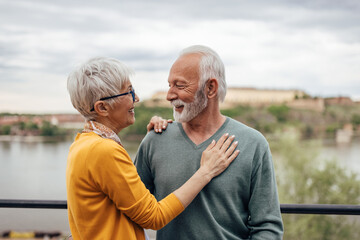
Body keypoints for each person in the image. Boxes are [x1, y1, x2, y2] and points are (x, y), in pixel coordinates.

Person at [65, 57, 239, 240]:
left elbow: (129, 197)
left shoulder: (82, 144)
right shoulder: (103, 150)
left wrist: (157, 139)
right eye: (129, 92)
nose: (137, 98)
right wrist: (206, 172)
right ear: (102, 107)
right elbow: (153, 217)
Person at [135, 45, 284, 239]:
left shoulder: (254, 144)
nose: (169, 95)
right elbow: (132, 211)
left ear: (210, 88)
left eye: (179, 86)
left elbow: (268, 228)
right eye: (169, 85)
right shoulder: (155, 139)